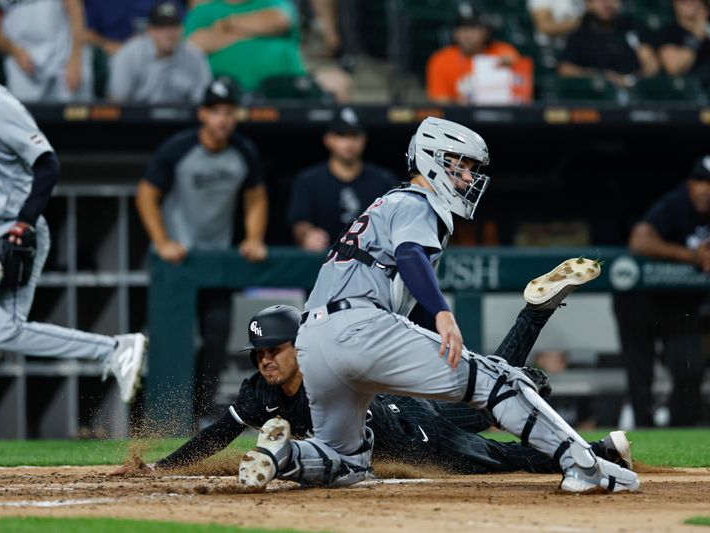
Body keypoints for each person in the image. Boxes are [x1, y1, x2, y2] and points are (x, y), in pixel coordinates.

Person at [236, 117, 640, 493]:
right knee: (502, 381)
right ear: (432, 162)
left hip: (314, 342)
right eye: (459, 166)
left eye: (470, 168)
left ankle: (284, 455)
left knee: (348, 460)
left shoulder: (383, 204)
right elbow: (411, 254)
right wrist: (444, 314)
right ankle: (585, 468)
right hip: (360, 325)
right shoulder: (415, 201)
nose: (467, 177)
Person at [110, 277, 634, 477]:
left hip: (409, 435)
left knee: (503, 456)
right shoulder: (260, 391)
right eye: (257, 353)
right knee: (493, 393)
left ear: (298, 345)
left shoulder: (320, 364)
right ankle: (591, 436)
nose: (265, 359)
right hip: (405, 411)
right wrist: (160, 468)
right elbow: (219, 433)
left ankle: (598, 454)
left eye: (274, 349)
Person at [0, 25, 147, 453]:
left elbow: (47, 165)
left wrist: (23, 221)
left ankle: (115, 348)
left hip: (12, 227)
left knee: (3, 333)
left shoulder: (1, 106)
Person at [135, 76, 268, 425]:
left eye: (229, 112)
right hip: (178, 262)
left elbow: (255, 196)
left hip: (217, 261)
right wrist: (162, 240)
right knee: (165, 343)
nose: (222, 119)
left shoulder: (243, 151)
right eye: (215, 111)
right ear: (202, 114)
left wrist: (253, 237)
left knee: (216, 340)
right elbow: (146, 194)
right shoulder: (178, 149)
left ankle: (197, 417)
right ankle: (154, 420)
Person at [613, 155, 710, 427]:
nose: (707, 189)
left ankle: (683, 434)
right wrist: (691, 256)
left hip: (680, 304)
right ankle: (642, 436)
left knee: (689, 369)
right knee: (640, 374)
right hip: (640, 299)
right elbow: (639, 240)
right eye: (701, 181)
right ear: (690, 183)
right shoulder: (676, 203)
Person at [183, 0, 350, 101]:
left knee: (338, 82)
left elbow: (279, 20)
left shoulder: (272, 1)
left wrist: (225, 26)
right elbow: (193, 44)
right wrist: (253, 31)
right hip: (224, 90)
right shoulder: (205, 10)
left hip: (284, 86)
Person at [286, 107, 397, 252]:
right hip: (323, 263)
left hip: (371, 263)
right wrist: (307, 235)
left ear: (363, 139)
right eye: (342, 135)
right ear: (328, 139)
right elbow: (300, 223)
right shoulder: (308, 180)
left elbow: (396, 224)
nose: (348, 142)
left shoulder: (383, 180)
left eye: (354, 135)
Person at [0, 0, 93, 102]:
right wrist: (15, 51)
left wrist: (75, 58)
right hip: (22, 60)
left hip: (63, 55)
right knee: (25, 119)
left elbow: (75, 11)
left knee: (75, 117)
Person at [108, 2, 211, 105]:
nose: (168, 33)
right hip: (136, 119)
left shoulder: (195, 57)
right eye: (161, 27)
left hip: (184, 119)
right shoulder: (129, 55)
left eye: (173, 26)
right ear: (150, 30)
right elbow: (118, 101)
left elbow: (203, 101)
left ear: (181, 29)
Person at [425, 10, 530, 105]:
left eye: (474, 29)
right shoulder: (441, 59)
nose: (468, 35)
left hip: (502, 116)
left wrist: (512, 64)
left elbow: (518, 68)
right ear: (455, 33)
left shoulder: (500, 50)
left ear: (486, 33)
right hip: (460, 118)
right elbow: (439, 101)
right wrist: (460, 103)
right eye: (464, 29)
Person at [558, 0, 659, 89]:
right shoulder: (580, 34)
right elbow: (565, 69)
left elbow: (651, 65)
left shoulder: (631, 26)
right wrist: (603, 77)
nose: (606, 3)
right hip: (596, 98)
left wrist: (631, 81)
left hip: (635, 97)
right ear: (588, 3)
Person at [658, 0, 710, 90]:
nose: (689, 2)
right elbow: (673, 67)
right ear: (674, 3)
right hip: (689, 93)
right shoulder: (669, 32)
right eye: (682, 1)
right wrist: (697, 34)